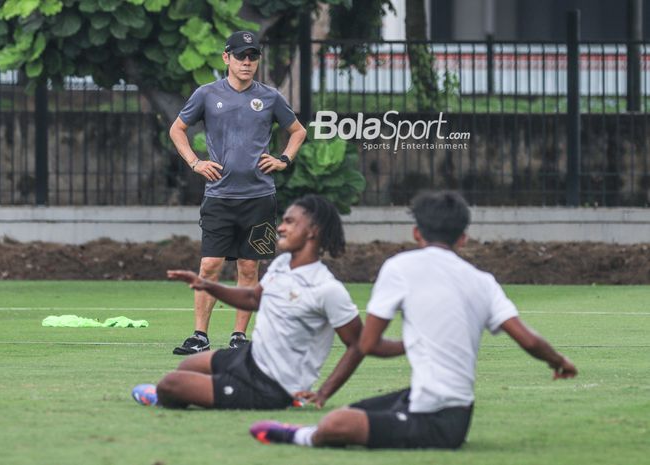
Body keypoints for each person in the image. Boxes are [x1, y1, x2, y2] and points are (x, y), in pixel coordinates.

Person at [249, 190, 578, 449]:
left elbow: (367, 344)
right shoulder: (483, 280)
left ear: (416, 232)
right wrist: (559, 361)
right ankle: (314, 429)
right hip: (452, 412)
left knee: (339, 424)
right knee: (348, 414)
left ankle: (300, 437)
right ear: (463, 237)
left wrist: (408, 343)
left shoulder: (400, 267)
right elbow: (529, 340)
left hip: (436, 421)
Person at [133, 195, 363, 410]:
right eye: (282, 221)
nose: (280, 228)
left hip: (271, 384)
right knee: (188, 366)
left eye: (290, 222)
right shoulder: (282, 264)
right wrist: (207, 285)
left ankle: (172, 397)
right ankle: (221, 388)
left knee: (171, 384)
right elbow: (253, 298)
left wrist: (324, 392)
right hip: (251, 358)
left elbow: (358, 344)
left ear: (312, 231)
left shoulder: (327, 288)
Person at [168, 30, 307, 354]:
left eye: (253, 56)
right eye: (241, 55)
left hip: (259, 198)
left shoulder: (270, 97)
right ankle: (200, 336)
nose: (247, 62)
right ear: (226, 58)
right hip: (219, 198)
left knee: (249, 268)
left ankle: (238, 337)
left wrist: (284, 158)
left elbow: (297, 131)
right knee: (210, 266)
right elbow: (177, 128)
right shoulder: (206, 94)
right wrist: (194, 162)